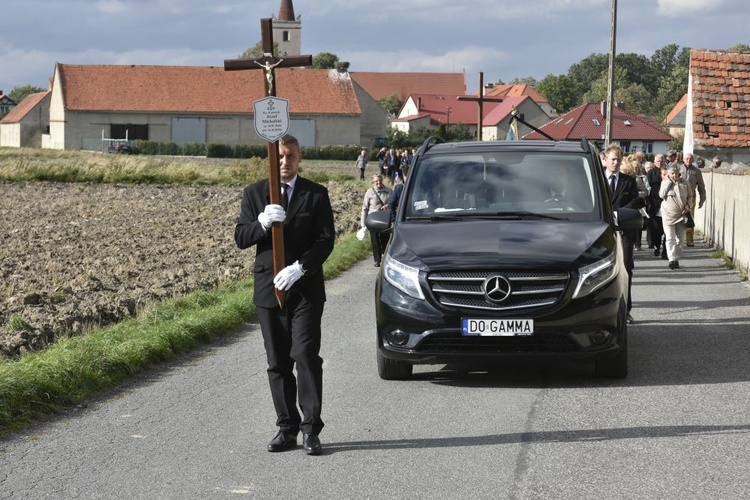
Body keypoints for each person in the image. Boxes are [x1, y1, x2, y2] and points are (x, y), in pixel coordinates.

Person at [234, 134, 335, 456]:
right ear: (270, 159)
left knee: (305, 356)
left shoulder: (315, 195)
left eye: (290, 156)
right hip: (269, 290)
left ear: (300, 157)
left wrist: (301, 267)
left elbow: (326, 240)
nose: (285, 162)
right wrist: (262, 223)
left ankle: (311, 429)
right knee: (277, 362)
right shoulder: (254, 194)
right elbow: (241, 237)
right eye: (279, 157)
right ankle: (286, 428)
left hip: (304, 288)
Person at [603, 144, 640, 323]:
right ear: (605, 159)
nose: (615, 163)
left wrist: (620, 213)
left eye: (618, 159)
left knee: (626, 268)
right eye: (612, 159)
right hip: (602, 232)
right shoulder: (598, 180)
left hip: (624, 230)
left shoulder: (628, 181)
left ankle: (626, 310)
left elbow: (636, 201)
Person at [659, 165, 692, 269]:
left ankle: (676, 258)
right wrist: (668, 182)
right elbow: (661, 195)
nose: (674, 175)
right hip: (668, 215)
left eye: (676, 173)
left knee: (680, 240)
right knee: (670, 238)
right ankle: (671, 259)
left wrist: (687, 206)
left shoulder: (684, 182)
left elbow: (690, 196)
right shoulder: (665, 182)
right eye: (672, 173)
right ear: (668, 173)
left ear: (679, 173)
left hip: (681, 215)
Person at [361, 174, 392, 267]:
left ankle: (386, 258)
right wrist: (363, 224)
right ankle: (377, 260)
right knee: (375, 241)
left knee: (385, 239)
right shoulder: (369, 192)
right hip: (372, 220)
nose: (378, 182)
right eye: (376, 181)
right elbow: (365, 208)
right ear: (373, 182)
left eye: (380, 180)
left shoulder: (389, 191)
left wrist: (387, 206)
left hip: (384, 219)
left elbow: (394, 203)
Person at [679, 153, 706, 247]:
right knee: (678, 219)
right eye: (686, 158)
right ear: (683, 159)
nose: (688, 160)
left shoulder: (697, 171)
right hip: (679, 199)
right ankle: (679, 239)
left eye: (690, 159)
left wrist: (702, 199)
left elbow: (701, 186)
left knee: (689, 219)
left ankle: (689, 240)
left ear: (693, 160)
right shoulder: (678, 169)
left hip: (691, 199)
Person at [647, 156, 668, 259]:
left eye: (661, 161)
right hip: (655, 204)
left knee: (666, 229)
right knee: (656, 228)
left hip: (666, 205)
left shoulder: (668, 172)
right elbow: (648, 188)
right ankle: (656, 246)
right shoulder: (651, 173)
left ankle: (665, 250)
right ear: (654, 162)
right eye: (658, 161)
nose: (659, 162)